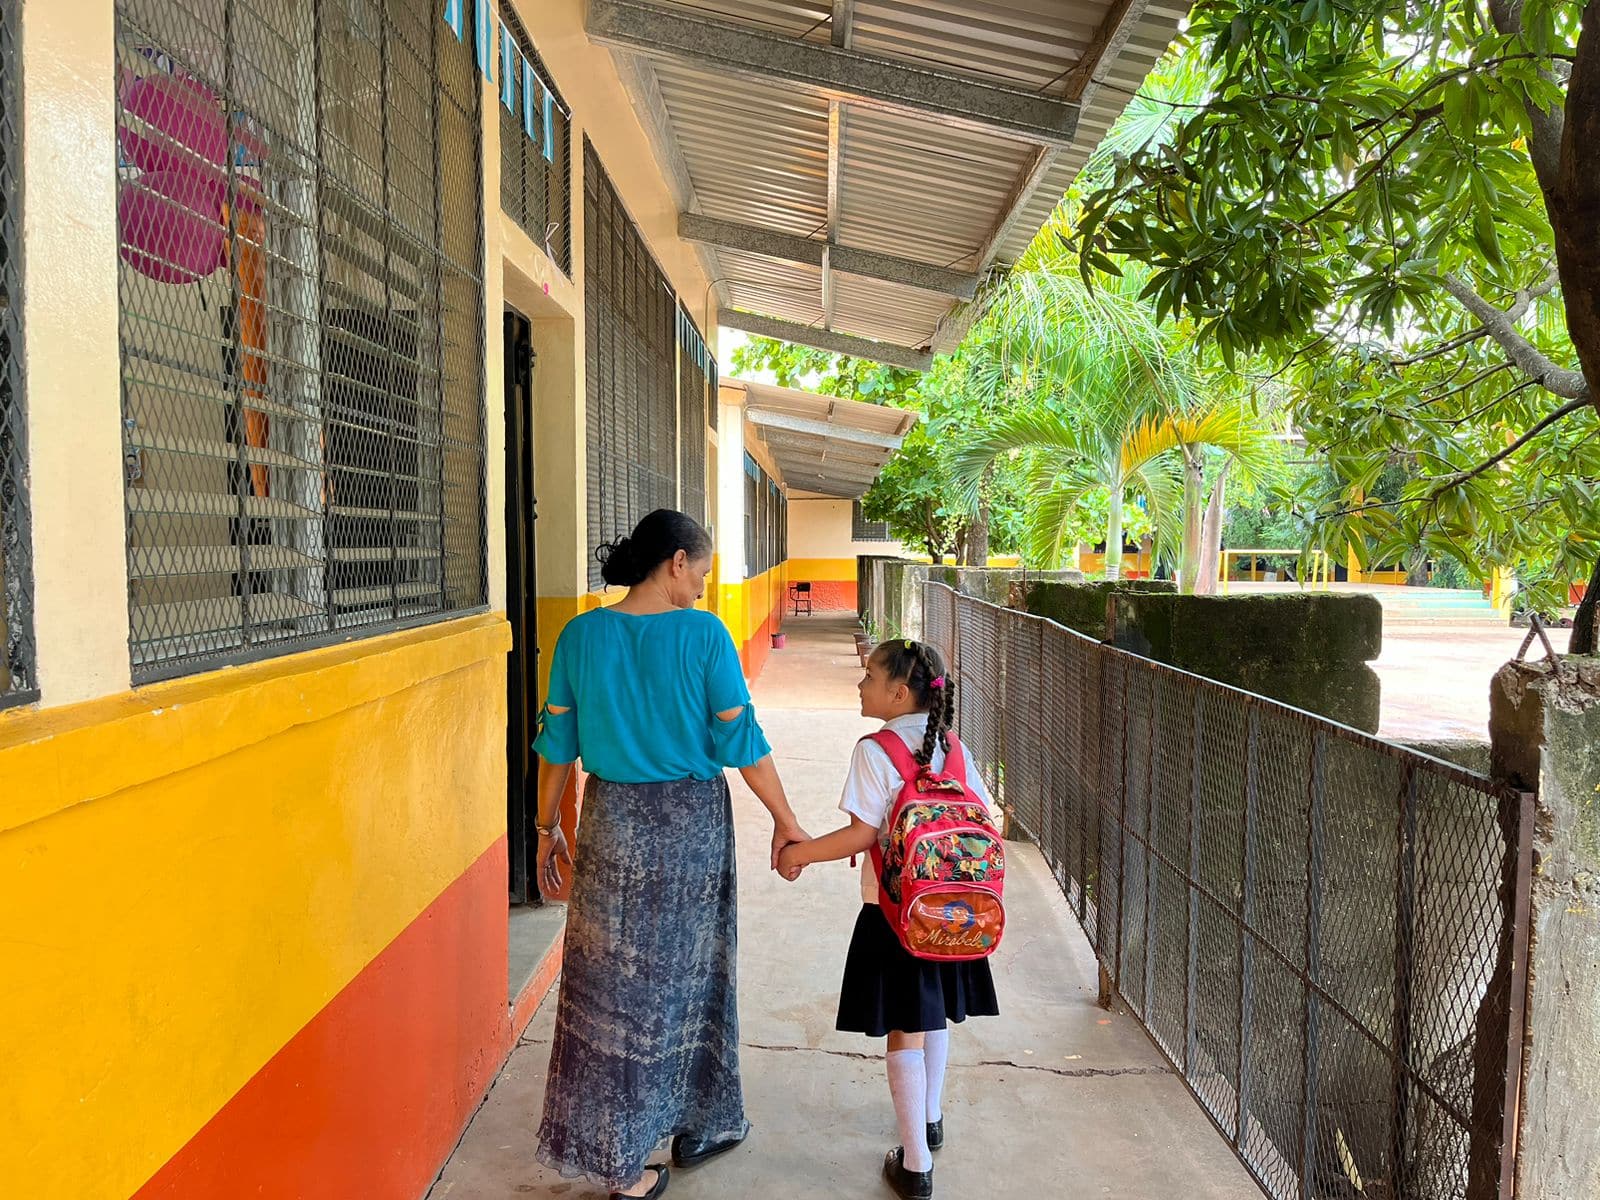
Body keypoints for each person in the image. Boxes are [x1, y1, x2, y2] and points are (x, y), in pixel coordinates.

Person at [531, 509, 808, 1200]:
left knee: (610, 987)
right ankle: (698, 1123)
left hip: (612, 823)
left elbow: (556, 748)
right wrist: (786, 822)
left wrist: (546, 828)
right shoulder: (704, 636)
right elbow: (744, 741)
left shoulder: (580, 636)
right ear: (677, 562)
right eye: (703, 574)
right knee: (695, 976)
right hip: (689, 829)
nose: (703, 589)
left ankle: (618, 1148)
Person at [776, 639, 1000, 1200]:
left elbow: (861, 834)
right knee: (933, 1018)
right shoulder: (953, 746)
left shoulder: (874, 751)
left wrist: (799, 853)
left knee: (904, 1026)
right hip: (953, 912)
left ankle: (917, 1166)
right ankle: (930, 1117)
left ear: (899, 693)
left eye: (869, 675)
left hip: (895, 914)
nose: (860, 683)